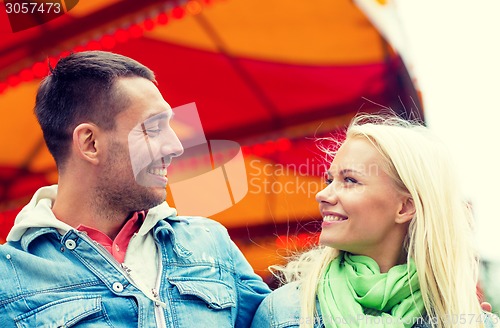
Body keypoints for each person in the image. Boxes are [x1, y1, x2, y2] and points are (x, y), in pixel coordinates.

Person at [0, 51, 270, 327]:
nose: (175, 146)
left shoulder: (211, 243)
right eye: (153, 129)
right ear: (90, 143)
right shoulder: (7, 279)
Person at [251, 114, 499, 328]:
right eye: (329, 180)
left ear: (405, 207)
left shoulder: (469, 320)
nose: (322, 195)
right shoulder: (283, 313)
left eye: (349, 180)